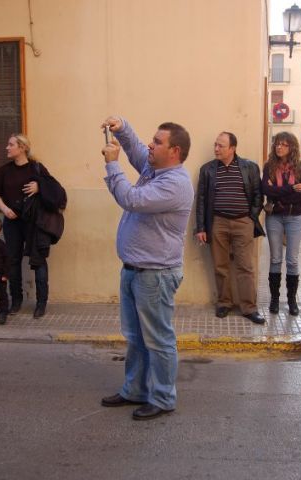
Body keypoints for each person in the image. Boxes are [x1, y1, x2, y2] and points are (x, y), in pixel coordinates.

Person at [100, 116, 194, 421]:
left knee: (158, 339)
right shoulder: (155, 169)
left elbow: (131, 199)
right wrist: (123, 128)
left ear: (174, 151)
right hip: (134, 270)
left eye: (158, 142)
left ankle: (163, 398)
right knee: (136, 337)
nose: (151, 146)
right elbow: (138, 151)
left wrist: (113, 165)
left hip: (155, 274)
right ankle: (135, 390)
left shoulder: (174, 184)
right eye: (153, 139)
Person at [195, 132, 265, 324]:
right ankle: (224, 303)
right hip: (217, 223)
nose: (216, 149)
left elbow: (259, 195)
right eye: (215, 145)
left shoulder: (249, 167)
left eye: (221, 146)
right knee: (220, 266)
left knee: (245, 267)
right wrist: (201, 227)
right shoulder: (207, 170)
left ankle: (249, 308)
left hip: (243, 223)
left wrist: (251, 218)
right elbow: (201, 200)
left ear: (232, 148)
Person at [0, 134, 66, 318]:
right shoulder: (4, 171)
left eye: (11, 145)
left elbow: (55, 190)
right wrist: (4, 209)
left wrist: (39, 187)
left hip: (35, 223)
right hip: (12, 222)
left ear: (22, 148)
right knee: (12, 260)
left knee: (39, 260)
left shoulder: (36, 168)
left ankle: (41, 303)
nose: (7, 148)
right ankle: (16, 300)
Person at [262, 132, 301, 315]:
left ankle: (291, 301)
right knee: (275, 258)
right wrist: (290, 189)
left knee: (292, 260)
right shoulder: (269, 167)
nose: (279, 147)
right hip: (274, 216)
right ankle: (274, 300)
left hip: (295, 217)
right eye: (277, 144)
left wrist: (277, 191)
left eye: (283, 144)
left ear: (292, 148)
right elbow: (266, 190)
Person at [0, 216, 9, 324]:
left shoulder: (2, 245)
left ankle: (3, 312)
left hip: (0, 276)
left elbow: (7, 262)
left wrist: (5, 274)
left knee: (2, 295)